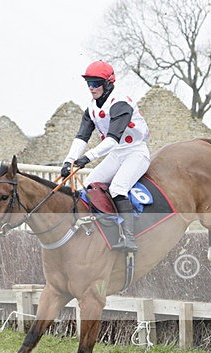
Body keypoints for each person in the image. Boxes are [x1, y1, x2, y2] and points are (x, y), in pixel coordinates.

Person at [60, 60, 151, 252]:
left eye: (96, 83)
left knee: (118, 187)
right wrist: (69, 161)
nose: (91, 88)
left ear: (109, 83)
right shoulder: (91, 109)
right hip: (118, 155)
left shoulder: (120, 104)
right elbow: (81, 137)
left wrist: (87, 158)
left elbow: (112, 139)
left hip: (136, 152)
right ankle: (100, 228)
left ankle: (129, 238)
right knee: (90, 184)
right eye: (89, 84)